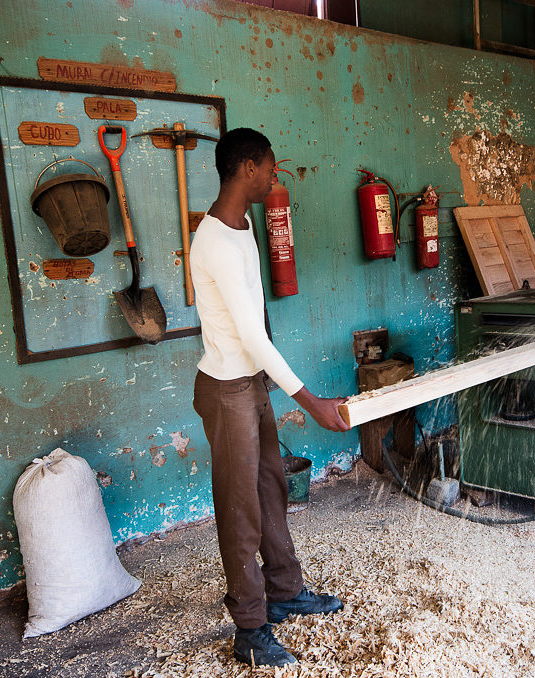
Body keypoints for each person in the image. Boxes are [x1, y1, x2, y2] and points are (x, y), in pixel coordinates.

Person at [190, 128, 350, 667]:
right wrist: (312, 402)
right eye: (271, 167)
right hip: (227, 389)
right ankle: (250, 629)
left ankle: (284, 591)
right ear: (247, 169)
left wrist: (269, 385)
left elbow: (258, 323)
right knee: (241, 512)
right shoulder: (213, 240)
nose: (275, 175)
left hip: (250, 383)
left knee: (271, 488)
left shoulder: (242, 228)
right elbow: (252, 338)